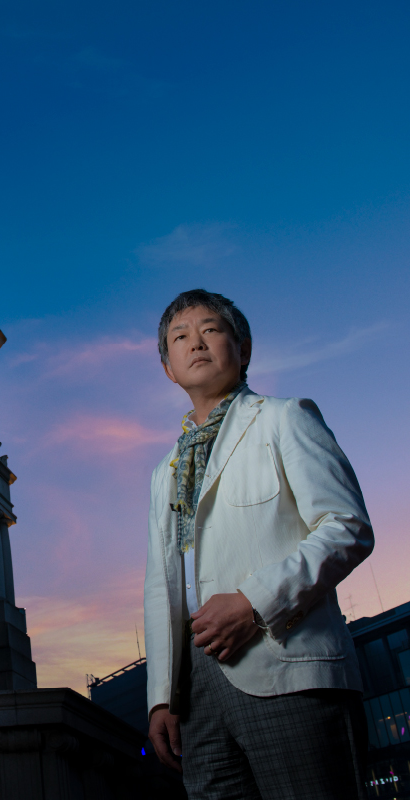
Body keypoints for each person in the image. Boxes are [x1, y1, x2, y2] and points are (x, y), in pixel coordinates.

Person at [143, 289, 373, 800]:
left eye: (211, 330)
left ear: (243, 349)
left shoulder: (284, 417)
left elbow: (347, 525)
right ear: (168, 369)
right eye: (180, 337)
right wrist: (162, 697)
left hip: (288, 667)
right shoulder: (165, 473)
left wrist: (254, 603)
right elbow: (160, 588)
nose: (195, 342)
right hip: (198, 698)